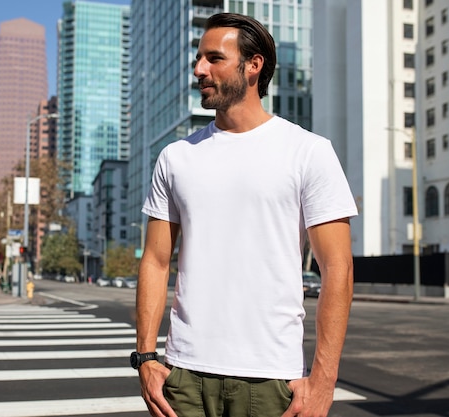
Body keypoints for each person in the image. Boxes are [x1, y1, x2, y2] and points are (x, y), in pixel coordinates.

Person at [133, 12, 358, 417]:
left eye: (214, 58)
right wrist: (145, 357)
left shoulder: (308, 151)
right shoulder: (177, 157)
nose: (199, 69)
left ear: (253, 66)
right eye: (198, 59)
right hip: (183, 376)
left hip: (270, 378)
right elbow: (155, 260)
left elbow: (337, 268)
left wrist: (324, 381)